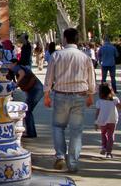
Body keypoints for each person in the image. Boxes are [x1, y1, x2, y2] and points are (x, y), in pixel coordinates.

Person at [43, 28, 96, 172]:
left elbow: (49, 77)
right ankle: (72, 163)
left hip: (60, 94)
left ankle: (60, 156)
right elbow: (91, 78)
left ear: (65, 39)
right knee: (76, 130)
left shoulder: (56, 55)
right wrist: (91, 94)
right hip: (79, 95)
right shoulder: (85, 57)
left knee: (58, 126)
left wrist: (46, 95)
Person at [7, 58, 43, 138]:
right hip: (35, 90)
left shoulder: (18, 67)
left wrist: (16, 84)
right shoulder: (16, 70)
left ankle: (31, 133)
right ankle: (31, 132)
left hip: (36, 90)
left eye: (10, 64)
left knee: (27, 111)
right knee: (28, 111)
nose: (9, 65)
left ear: (15, 63)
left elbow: (22, 73)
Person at [94, 83, 120, 158]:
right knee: (111, 135)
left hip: (102, 121)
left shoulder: (99, 101)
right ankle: (109, 152)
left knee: (103, 134)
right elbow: (120, 107)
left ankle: (103, 147)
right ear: (111, 91)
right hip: (112, 120)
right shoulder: (115, 100)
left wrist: (96, 122)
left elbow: (97, 112)